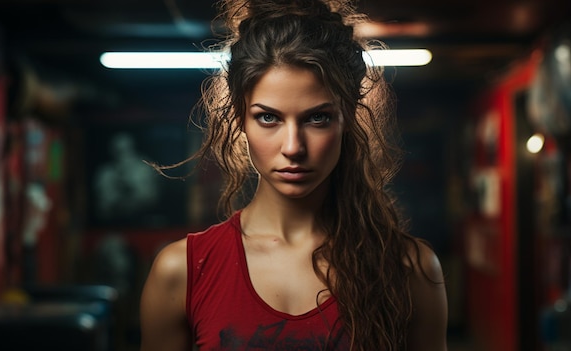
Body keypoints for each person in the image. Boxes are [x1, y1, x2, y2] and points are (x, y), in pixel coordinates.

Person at [139, 0, 448, 350]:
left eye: (317, 118)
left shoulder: (409, 269)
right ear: (240, 119)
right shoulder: (183, 271)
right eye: (268, 118)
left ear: (347, 118)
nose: (293, 147)